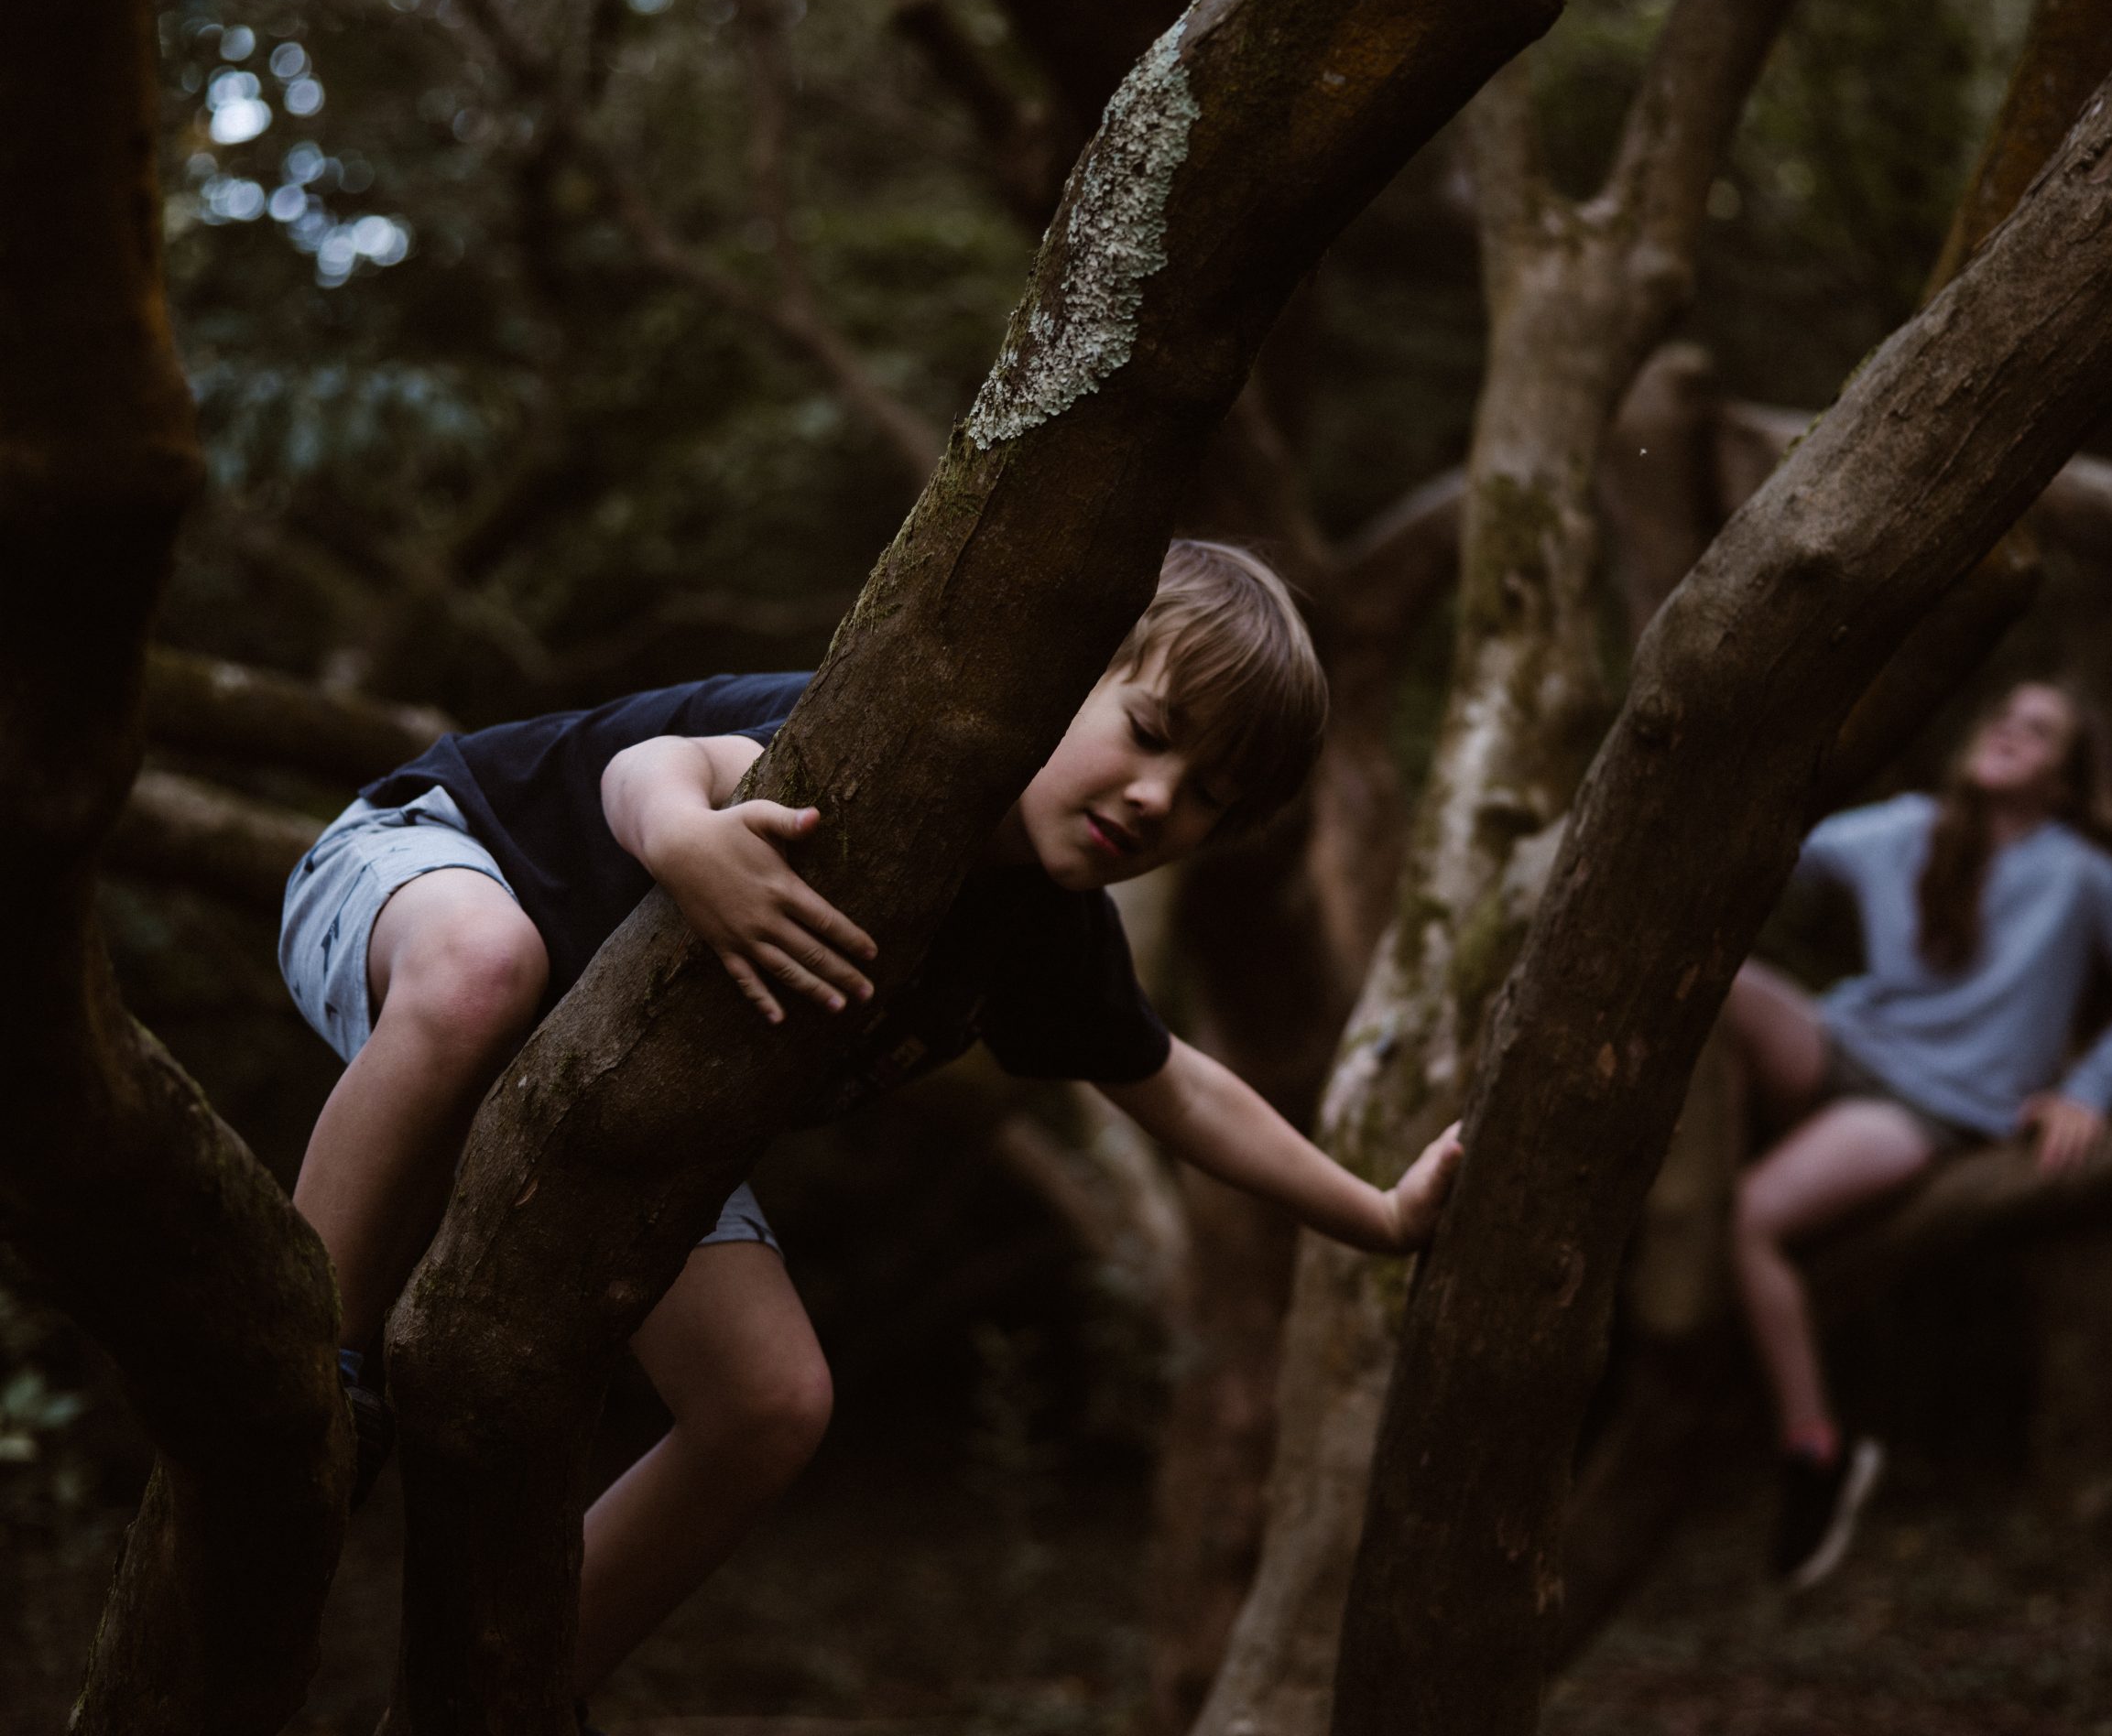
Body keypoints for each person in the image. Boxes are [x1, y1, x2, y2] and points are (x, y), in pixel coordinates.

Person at [278, 538, 1463, 1698]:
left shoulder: (1044, 936)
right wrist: (690, 845)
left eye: (1209, 797)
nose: (1158, 798)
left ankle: (512, 1695)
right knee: (488, 967)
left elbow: (1179, 1086)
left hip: (614, 1101)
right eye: (1149, 733)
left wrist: (1379, 1214)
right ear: (1059, 672)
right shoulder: (891, 743)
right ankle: (304, 1365)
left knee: (770, 1403)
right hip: (422, 868)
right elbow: (652, 769)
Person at [1723, 681, 2112, 1591]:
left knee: (1748, 1219)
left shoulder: (2080, 875)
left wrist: (2086, 1090)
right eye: (2004, 716)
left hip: (1928, 1106)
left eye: (2039, 729)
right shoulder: (1905, 827)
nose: (2010, 730)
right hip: (1841, 1045)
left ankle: (1815, 1449)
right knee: (1717, 980)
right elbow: (1768, 850)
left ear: (2064, 779)